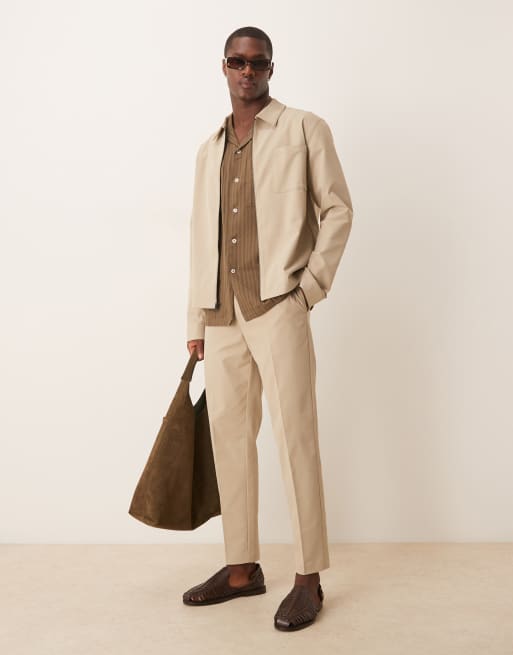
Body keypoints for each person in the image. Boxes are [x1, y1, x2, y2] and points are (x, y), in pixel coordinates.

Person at [182, 25, 353, 631]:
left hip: (279, 305)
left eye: (257, 62)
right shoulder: (208, 149)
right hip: (221, 314)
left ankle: (308, 577)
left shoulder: (305, 128)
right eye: (237, 61)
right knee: (229, 441)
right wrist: (196, 319)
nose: (247, 71)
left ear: (271, 69)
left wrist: (309, 290)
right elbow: (200, 236)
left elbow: (338, 209)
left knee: (295, 437)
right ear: (224, 68)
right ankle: (241, 569)